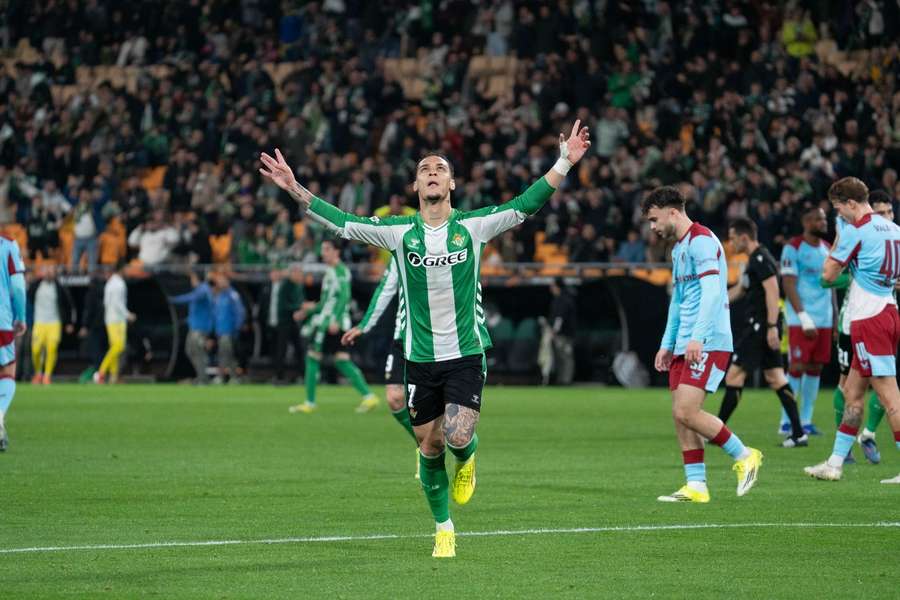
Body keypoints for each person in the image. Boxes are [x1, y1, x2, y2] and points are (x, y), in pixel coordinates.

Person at [261, 119, 590, 558]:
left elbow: (525, 204)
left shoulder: (474, 226)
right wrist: (294, 188)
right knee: (428, 445)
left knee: (455, 437)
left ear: (451, 182)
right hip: (419, 357)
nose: (432, 172)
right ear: (416, 185)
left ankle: (468, 457)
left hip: (467, 352)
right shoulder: (399, 233)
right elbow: (342, 223)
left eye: (439, 168)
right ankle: (443, 528)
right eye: (424, 169)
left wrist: (565, 160)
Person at [642, 186, 763, 504]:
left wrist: (697, 336)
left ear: (672, 211)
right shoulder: (680, 250)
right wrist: (667, 344)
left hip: (707, 341)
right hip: (685, 343)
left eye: (654, 219)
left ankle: (745, 455)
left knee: (687, 410)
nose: (653, 227)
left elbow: (712, 292)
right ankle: (696, 484)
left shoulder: (702, 241)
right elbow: (678, 302)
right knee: (679, 415)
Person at [805, 177, 900, 484]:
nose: (839, 216)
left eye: (838, 209)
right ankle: (835, 463)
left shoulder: (855, 230)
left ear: (850, 204)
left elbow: (828, 273)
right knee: (853, 394)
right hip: (887, 309)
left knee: (890, 397)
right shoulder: (895, 231)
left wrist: (840, 242)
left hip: (868, 316)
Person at [717, 218, 806, 447]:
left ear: (744, 237)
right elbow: (740, 288)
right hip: (761, 326)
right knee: (776, 378)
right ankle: (798, 434)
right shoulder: (752, 261)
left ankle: (716, 431)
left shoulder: (761, 259)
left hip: (759, 327)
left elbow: (773, 292)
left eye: (733, 237)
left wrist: (771, 327)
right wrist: (718, 303)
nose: (731, 242)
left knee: (734, 376)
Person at [342, 257, 419, 474]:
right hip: (404, 336)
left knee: (432, 405)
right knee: (395, 399)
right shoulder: (403, 245)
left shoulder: (452, 245)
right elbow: (385, 288)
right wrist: (365, 325)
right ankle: (425, 447)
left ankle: (454, 450)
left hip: (439, 340)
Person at [289, 239, 378, 413]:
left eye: (327, 249)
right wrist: (307, 311)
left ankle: (310, 403)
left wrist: (335, 319)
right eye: (323, 249)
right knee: (341, 360)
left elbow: (345, 295)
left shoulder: (340, 271)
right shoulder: (331, 271)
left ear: (337, 252)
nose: (324, 253)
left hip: (332, 323)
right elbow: (325, 302)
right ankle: (369, 397)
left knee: (312, 356)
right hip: (330, 321)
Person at [779, 207, 835, 435]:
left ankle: (806, 420)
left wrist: (836, 316)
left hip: (824, 319)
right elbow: (789, 283)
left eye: (824, 219)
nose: (823, 223)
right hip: (801, 319)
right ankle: (786, 421)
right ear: (806, 221)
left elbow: (830, 286)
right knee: (796, 367)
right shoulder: (793, 247)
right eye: (818, 219)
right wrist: (802, 317)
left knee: (815, 368)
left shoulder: (827, 249)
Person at [0, 235, 27, 450]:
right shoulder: (8, 245)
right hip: (1, 319)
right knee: (7, 370)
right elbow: (18, 287)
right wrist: (22, 317)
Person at [28, 264, 74, 385]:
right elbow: (28, 295)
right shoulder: (37, 285)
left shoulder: (59, 287)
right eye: (46, 270)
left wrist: (69, 322)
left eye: (51, 271)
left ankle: (47, 375)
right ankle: (38, 373)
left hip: (54, 322)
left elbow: (68, 305)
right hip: (39, 322)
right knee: (36, 350)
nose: (49, 273)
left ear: (55, 273)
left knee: (52, 349)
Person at [169, 270, 215, 384]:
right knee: (190, 350)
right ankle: (201, 376)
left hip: (200, 329)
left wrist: (174, 300)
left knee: (197, 351)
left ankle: (203, 378)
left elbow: (191, 298)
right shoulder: (200, 290)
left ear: (196, 278)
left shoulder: (203, 289)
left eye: (192, 278)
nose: (191, 281)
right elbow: (197, 310)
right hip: (195, 327)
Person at [95, 264, 134, 384]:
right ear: (121, 270)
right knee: (119, 346)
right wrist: (128, 314)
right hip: (117, 320)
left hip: (110, 319)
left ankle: (113, 376)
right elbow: (118, 303)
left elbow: (106, 303)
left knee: (114, 348)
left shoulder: (110, 283)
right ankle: (101, 372)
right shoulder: (119, 284)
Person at [269, 264, 305, 384]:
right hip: (284, 322)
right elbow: (283, 306)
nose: (300, 276)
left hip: (293, 322)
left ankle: (303, 375)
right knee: (281, 350)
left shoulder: (298, 286)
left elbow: (298, 303)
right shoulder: (286, 286)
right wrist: (300, 307)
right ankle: (279, 376)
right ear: (293, 273)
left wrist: (300, 309)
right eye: (298, 273)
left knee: (299, 349)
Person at [210, 273, 246, 384]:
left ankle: (221, 377)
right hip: (220, 331)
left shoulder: (232, 295)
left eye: (222, 281)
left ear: (227, 282)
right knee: (227, 354)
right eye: (219, 281)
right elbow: (216, 314)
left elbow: (240, 312)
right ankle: (234, 377)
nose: (220, 283)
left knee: (224, 353)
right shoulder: (219, 296)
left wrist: (236, 328)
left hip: (229, 330)